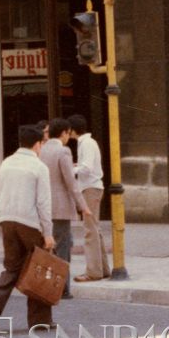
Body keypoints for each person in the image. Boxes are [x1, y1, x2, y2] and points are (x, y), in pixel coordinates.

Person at [0, 125, 56, 332]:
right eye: (42, 143)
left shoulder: (6, 163)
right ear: (37, 144)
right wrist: (48, 233)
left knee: (13, 267)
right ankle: (40, 320)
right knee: (40, 268)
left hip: (7, 220)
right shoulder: (39, 167)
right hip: (29, 222)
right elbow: (43, 203)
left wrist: (2, 217)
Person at [40, 118, 90, 300]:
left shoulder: (42, 149)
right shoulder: (63, 151)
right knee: (63, 247)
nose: (69, 137)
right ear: (63, 133)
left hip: (44, 206)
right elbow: (71, 182)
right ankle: (62, 288)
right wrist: (83, 205)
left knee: (51, 246)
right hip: (60, 207)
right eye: (68, 133)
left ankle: (49, 284)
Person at [68, 114, 111, 282]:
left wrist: (70, 171)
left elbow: (87, 168)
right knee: (94, 229)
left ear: (72, 130)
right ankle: (102, 269)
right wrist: (76, 166)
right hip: (92, 188)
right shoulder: (87, 143)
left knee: (89, 231)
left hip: (90, 189)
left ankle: (93, 272)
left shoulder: (86, 144)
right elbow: (86, 166)